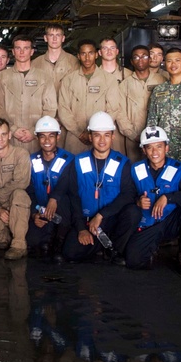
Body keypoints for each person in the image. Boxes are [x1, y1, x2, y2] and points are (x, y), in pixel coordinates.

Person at [121, 127, 181, 274]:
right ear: (144, 151)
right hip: (147, 226)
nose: (155, 152)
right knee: (133, 260)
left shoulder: (179, 169)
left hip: (170, 222)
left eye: (159, 146)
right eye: (149, 147)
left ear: (167, 148)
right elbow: (126, 195)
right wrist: (137, 201)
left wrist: (168, 197)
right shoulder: (135, 169)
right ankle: (153, 247)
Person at [61, 112, 135, 264]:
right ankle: (101, 245)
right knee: (69, 252)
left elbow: (128, 194)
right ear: (90, 137)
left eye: (106, 135)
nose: (102, 140)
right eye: (97, 135)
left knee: (133, 212)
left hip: (111, 220)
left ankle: (114, 249)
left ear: (113, 136)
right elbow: (73, 196)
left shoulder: (123, 163)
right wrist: (81, 228)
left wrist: (101, 215)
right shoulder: (78, 162)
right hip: (87, 221)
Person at [0, 35, 58, 154]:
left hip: (36, 139)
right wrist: (13, 129)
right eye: (18, 48)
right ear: (13, 51)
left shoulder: (44, 77)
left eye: (26, 48)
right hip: (10, 138)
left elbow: (50, 108)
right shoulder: (2, 77)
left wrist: (35, 131)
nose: (22, 52)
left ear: (32, 51)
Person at [58, 40, 124, 156]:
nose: (87, 58)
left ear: (97, 54)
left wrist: (97, 131)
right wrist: (79, 133)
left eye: (91, 53)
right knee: (74, 169)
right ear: (78, 56)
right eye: (83, 54)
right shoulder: (68, 80)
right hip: (75, 137)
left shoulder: (109, 80)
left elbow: (113, 108)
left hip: (101, 137)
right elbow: (63, 110)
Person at [27, 116, 75, 260]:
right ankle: (46, 238)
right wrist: (34, 214)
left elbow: (68, 186)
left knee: (65, 201)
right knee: (32, 242)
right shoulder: (30, 160)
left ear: (58, 137)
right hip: (39, 209)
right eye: (42, 136)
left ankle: (59, 242)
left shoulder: (69, 159)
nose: (47, 141)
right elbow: (28, 191)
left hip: (62, 211)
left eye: (51, 136)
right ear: (37, 138)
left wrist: (54, 199)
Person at [0, 119, 33, 259]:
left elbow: (21, 182)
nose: (0, 139)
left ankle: (19, 245)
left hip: (16, 205)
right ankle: (5, 238)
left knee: (20, 194)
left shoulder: (21, 154)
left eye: (3, 134)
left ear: (10, 135)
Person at [117, 44, 166, 163]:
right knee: (135, 169)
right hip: (134, 138)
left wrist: (161, 135)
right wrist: (133, 135)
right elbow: (119, 112)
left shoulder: (162, 81)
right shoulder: (125, 85)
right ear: (131, 62)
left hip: (158, 138)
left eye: (144, 56)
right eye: (136, 57)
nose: (140, 60)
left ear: (149, 59)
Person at [31, 24, 79, 93]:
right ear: (45, 38)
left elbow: (77, 90)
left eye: (58, 35)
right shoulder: (35, 63)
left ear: (63, 38)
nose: (54, 39)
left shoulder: (73, 62)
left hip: (66, 103)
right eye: (51, 35)